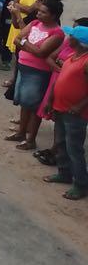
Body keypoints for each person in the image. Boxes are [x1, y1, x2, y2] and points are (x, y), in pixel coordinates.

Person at [7, 0, 65, 151]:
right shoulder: (34, 24)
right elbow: (16, 39)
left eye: (43, 12)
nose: (38, 14)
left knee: (34, 107)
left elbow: (41, 53)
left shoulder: (57, 33)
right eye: (39, 11)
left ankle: (30, 139)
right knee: (25, 103)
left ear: (53, 16)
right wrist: (26, 44)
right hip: (24, 67)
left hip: (39, 72)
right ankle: (21, 133)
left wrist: (24, 43)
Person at [45, 22, 88, 200]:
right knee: (62, 143)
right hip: (61, 108)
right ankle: (64, 173)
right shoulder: (73, 57)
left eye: (71, 37)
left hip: (75, 114)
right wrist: (50, 100)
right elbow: (61, 79)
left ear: (78, 42)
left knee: (74, 148)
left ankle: (80, 184)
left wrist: (79, 106)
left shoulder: (86, 61)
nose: (68, 38)